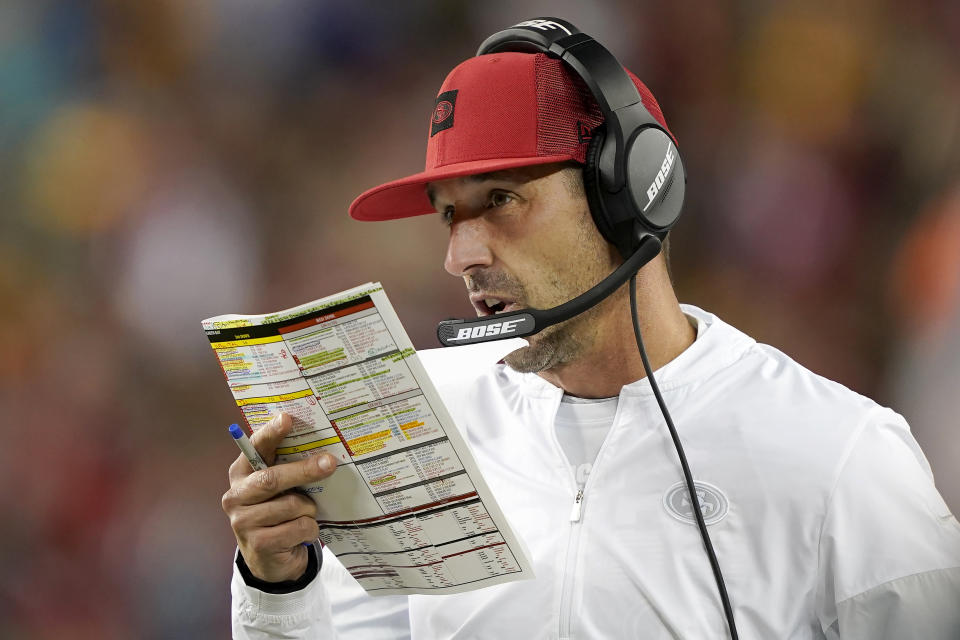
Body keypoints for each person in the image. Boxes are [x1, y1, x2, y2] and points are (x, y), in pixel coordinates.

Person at [221, 21, 960, 639]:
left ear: (630, 193)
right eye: (450, 214)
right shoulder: (407, 417)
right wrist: (278, 584)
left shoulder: (842, 456)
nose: (460, 255)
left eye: (501, 199)